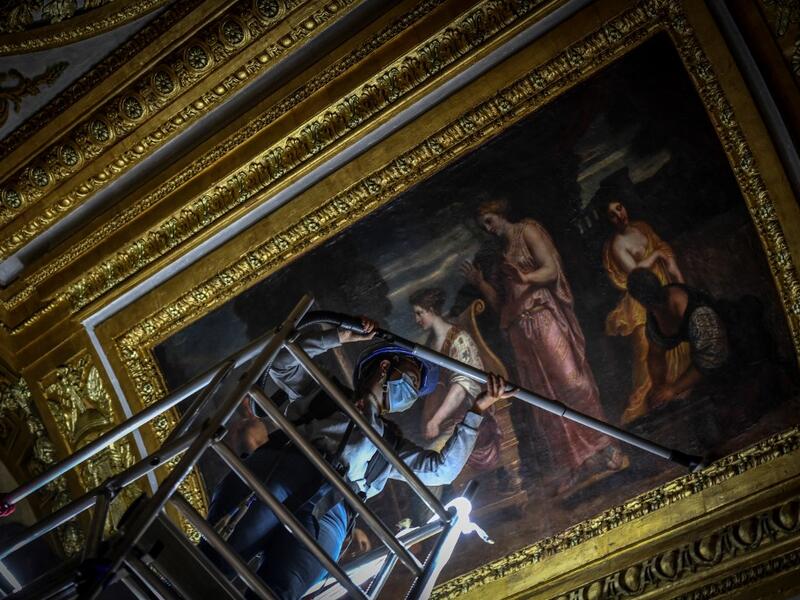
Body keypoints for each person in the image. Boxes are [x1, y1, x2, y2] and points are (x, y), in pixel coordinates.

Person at [201, 317, 513, 599]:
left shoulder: (391, 444)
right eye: (412, 378)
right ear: (386, 367)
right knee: (217, 559)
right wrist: (337, 337)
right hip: (287, 471)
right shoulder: (325, 393)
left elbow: (442, 470)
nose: (412, 391)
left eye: (416, 389)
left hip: (332, 511)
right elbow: (283, 364)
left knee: (279, 591)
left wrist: (477, 410)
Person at [461, 198, 626, 493]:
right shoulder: (499, 258)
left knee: (572, 383)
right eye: (482, 225)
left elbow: (551, 270)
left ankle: (605, 448)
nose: (487, 228)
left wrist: (525, 276)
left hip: (543, 317)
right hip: (520, 332)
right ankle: (573, 464)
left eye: (489, 220)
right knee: (544, 399)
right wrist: (481, 283)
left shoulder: (528, 231)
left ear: (500, 213)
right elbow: (502, 306)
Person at [603, 200, 691, 423]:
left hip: (664, 285)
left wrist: (678, 278)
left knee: (679, 334)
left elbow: (664, 251)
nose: (619, 215)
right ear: (608, 221)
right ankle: (651, 403)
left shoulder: (642, 227)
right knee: (647, 349)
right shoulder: (616, 245)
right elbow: (636, 274)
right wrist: (656, 255)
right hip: (642, 297)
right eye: (612, 214)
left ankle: (681, 390)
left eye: (619, 208)